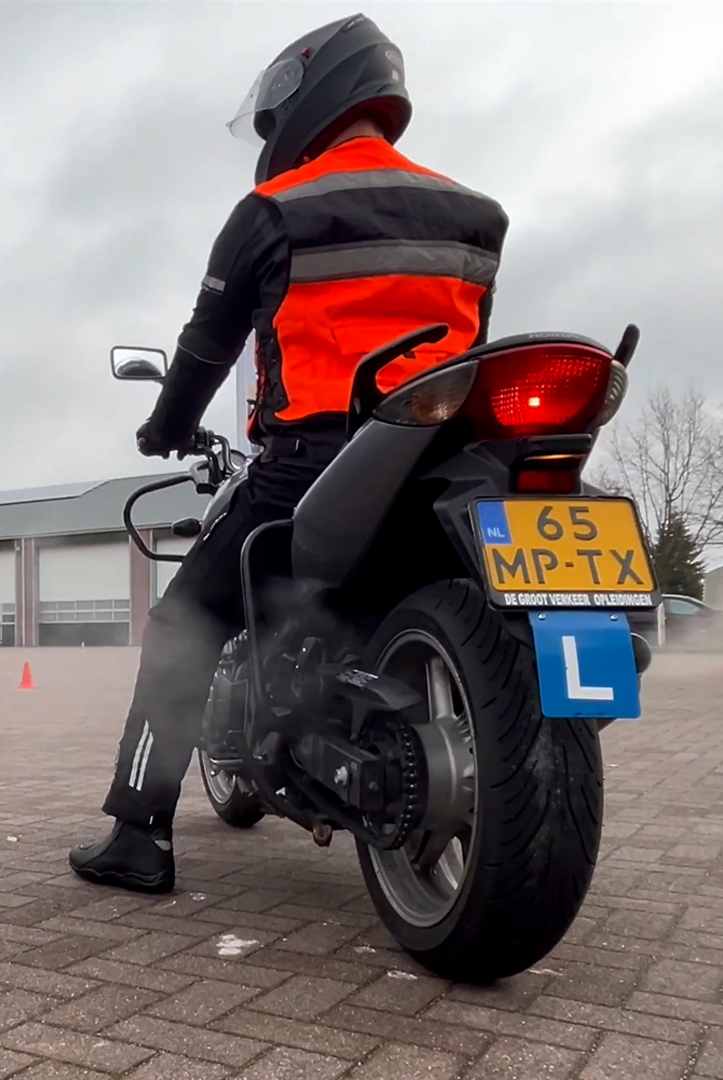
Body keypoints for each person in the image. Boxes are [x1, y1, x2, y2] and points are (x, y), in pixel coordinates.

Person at [69, 14, 509, 893]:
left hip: (318, 461)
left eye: (272, 126)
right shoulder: (478, 215)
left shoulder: (274, 211)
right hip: (453, 460)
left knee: (186, 625)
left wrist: (165, 425)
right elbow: (465, 349)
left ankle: (139, 834)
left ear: (310, 100)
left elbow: (207, 348)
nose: (270, 143)